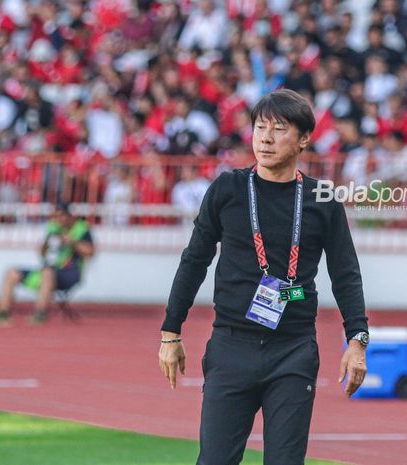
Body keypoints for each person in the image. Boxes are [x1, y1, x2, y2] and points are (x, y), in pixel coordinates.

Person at [158, 89, 369, 465]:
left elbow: (345, 273)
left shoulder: (322, 198)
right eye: (260, 128)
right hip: (231, 345)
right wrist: (170, 332)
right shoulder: (228, 189)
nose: (266, 138)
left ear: (304, 138)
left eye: (279, 129)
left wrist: (357, 340)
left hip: (293, 350)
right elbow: (194, 261)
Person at [0, 202, 94, 325]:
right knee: (12, 272)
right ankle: (2, 314)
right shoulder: (53, 228)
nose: (59, 219)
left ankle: (40, 314)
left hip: (69, 274)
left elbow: (90, 252)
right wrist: (45, 245)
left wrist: (71, 242)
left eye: (61, 216)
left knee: (47, 272)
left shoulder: (82, 229)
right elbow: (43, 253)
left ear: (70, 216)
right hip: (48, 271)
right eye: (56, 216)